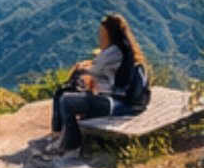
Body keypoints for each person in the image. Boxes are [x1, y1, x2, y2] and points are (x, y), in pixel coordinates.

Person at [46, 13, 147, 157]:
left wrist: (82, 67)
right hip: (120, 100)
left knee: (66, 100)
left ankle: (71, 145)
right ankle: (65, 139)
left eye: (103, 34)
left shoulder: (113, 51)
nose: (100, 37)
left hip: (115, 103)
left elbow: (94, 70)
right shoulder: (125, 50)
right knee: (70, 97)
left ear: (110, 34)